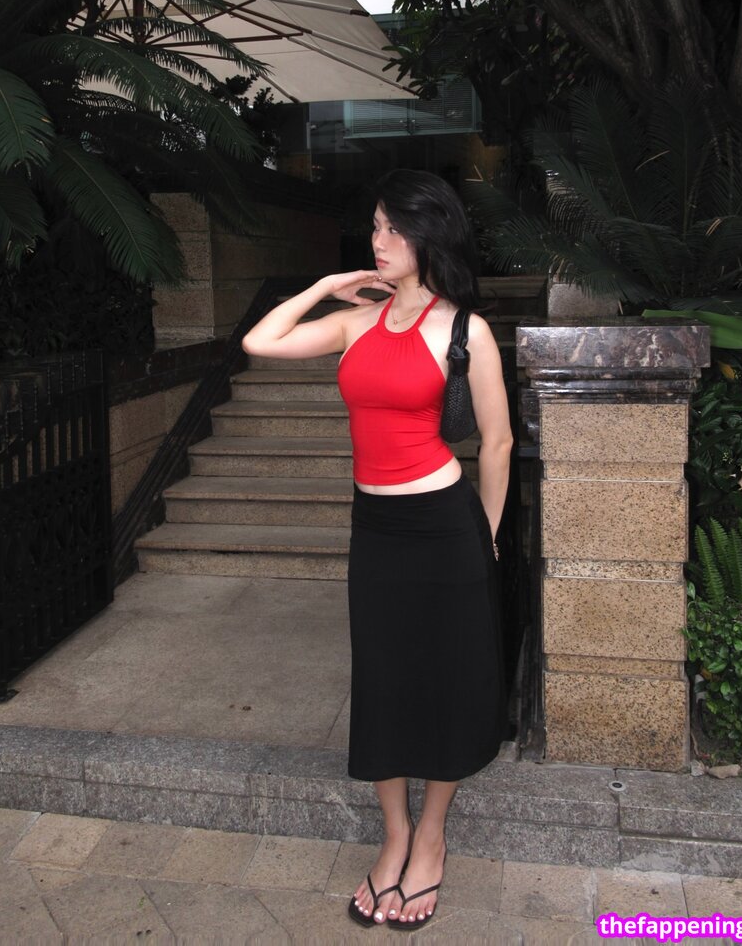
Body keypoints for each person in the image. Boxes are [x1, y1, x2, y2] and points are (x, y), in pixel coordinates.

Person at [242, 169, 512, 929]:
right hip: (377, 528)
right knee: (384, 676)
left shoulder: (465, 330)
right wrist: (326, 286)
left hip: (445, 525)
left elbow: (496, 443)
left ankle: (431, 837)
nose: (379, 241)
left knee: (446, 676)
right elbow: (260, 341)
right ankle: (394, 834)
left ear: (430, 234)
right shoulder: (356, 322)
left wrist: (488, 535)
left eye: (394, 228)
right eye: (374, 227)